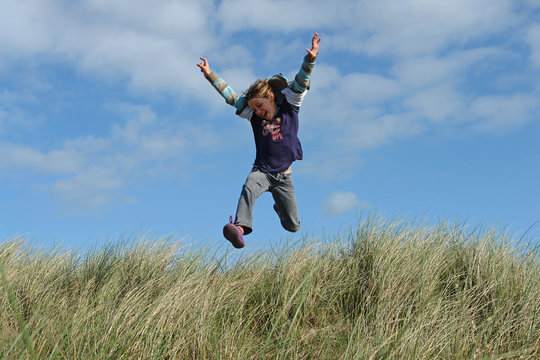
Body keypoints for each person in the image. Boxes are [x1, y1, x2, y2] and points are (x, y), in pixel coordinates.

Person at [197, 33, 321, 248]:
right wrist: (210, 75)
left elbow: (301, 81)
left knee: (293, 226)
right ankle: (239, 227)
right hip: (262, 170)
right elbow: (231, 97)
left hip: (285, 177)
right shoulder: (253, 115)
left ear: (271, 97)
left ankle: (280, 208)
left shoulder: (290, 106)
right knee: (249, 186)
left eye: (260, 106)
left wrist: (310, 60)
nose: (258, 112)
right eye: (253, 108)